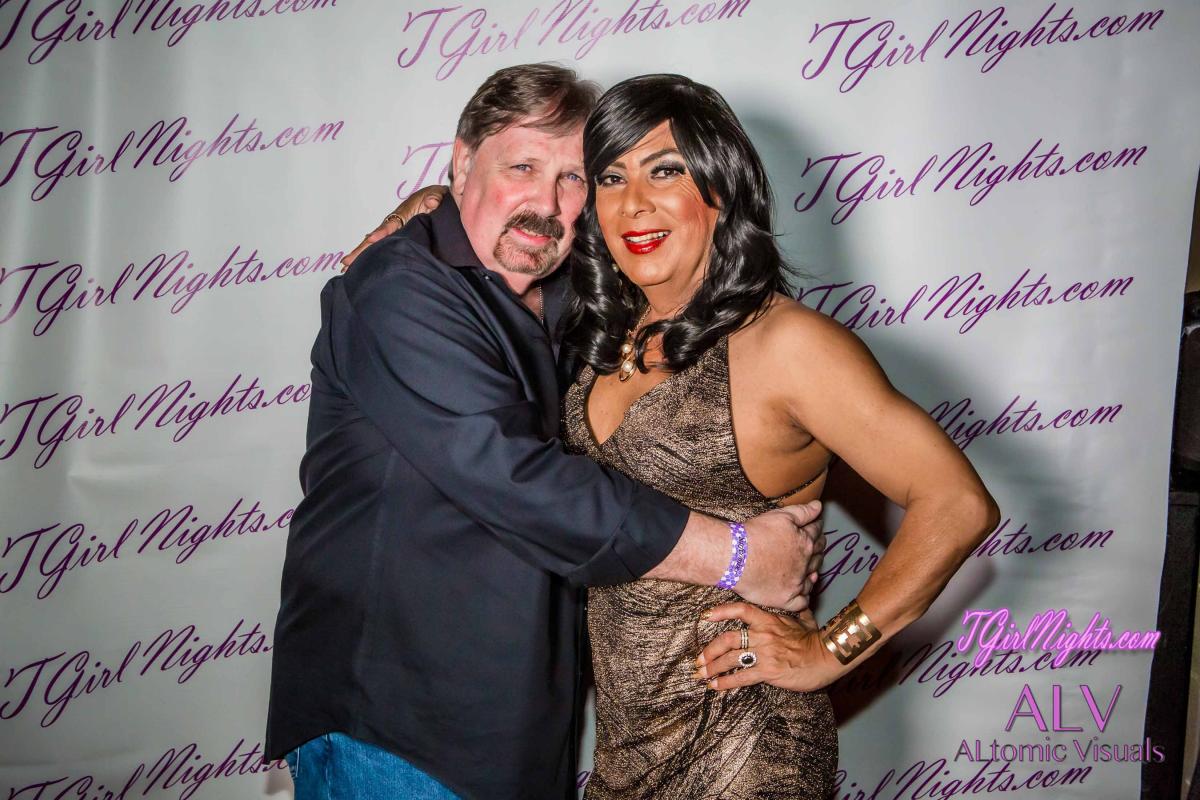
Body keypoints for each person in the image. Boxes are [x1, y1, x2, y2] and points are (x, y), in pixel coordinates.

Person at [362, 74, 1000, 799]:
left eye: (665, 170)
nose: (634, 202)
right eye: (610, 177)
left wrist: (828, 651)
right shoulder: (598, 328)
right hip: (626, 752)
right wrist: (433, 202)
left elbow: (957, 504)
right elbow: (506, 224)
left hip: (745, 745)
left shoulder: (786, 343)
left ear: (719, 187)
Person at [266, 64, 827, 800]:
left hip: (522, 730)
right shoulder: (397, 289)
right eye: (521, 168)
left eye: (572, 179)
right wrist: (738, 555)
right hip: (394, 726)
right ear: (462, 162)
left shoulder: (575, 297)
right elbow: (514, 476)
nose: (547, 204)